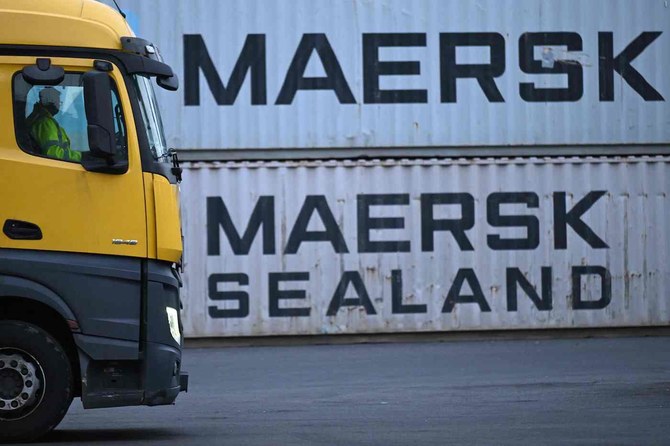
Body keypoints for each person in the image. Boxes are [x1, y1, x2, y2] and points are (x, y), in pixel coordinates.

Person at [26, 87, 81, 162]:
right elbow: (53, 154)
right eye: (58, 101)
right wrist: (81, 156)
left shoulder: (45, 121)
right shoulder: (45, 123)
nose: (59, 105)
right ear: (50, 101)